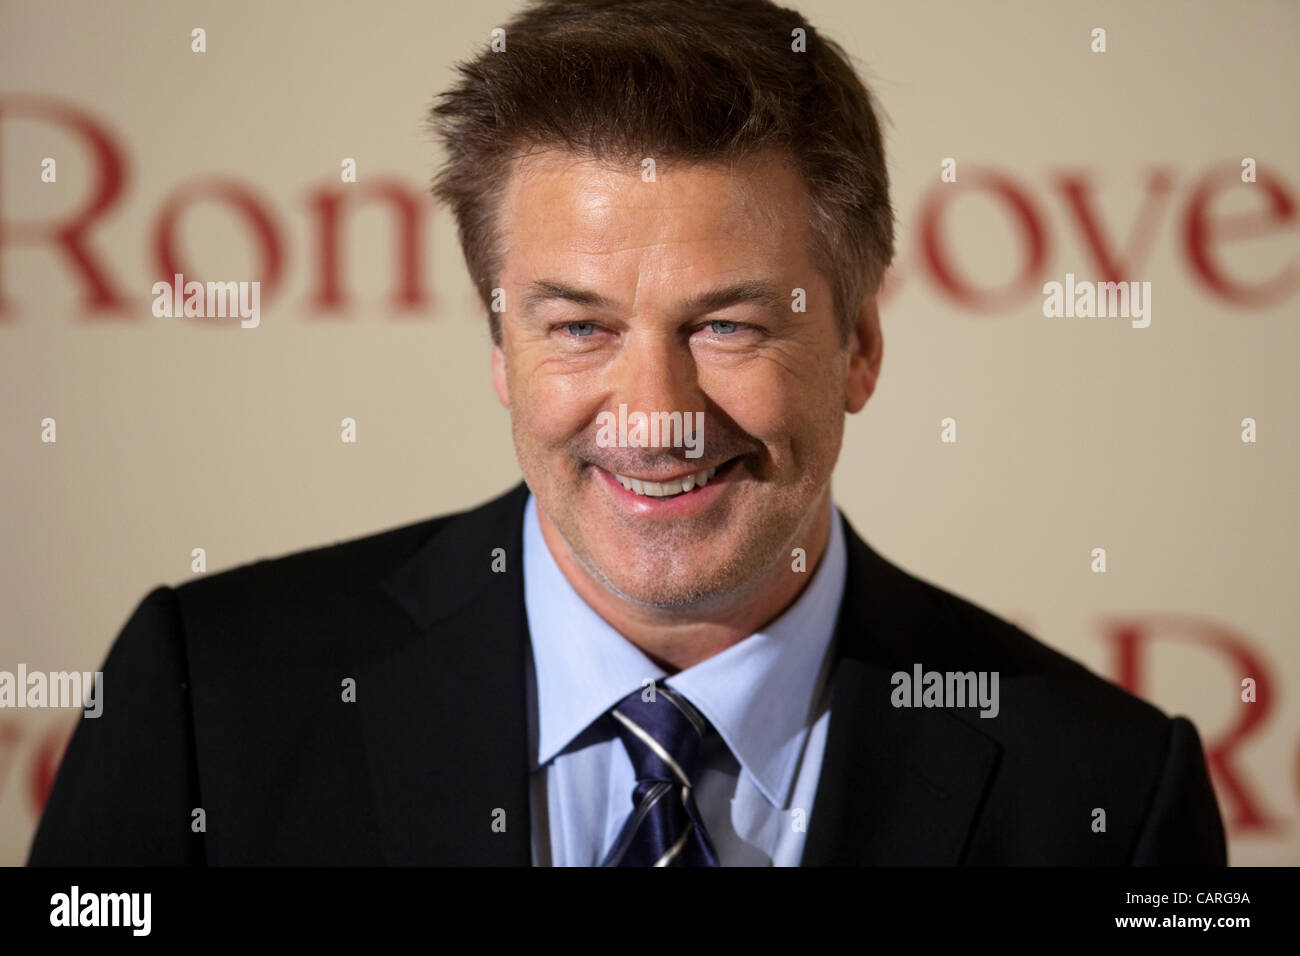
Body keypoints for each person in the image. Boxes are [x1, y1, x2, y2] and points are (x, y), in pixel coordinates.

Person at [29, 0, 1226, 866]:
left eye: (728, 325)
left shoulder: (1107, 794)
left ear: (858, 344)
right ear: (501, 349)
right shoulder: (208, 701)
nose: (654, 415)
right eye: (582, 326)